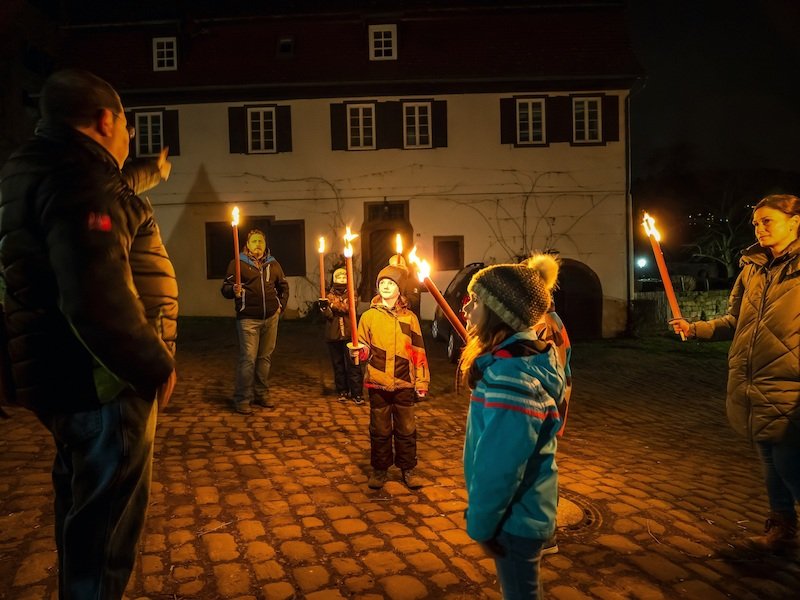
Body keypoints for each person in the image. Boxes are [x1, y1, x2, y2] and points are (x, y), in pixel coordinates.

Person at [0, 69, 178, 599]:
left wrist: (151, 171)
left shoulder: (41, 169)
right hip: (103, 381)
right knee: (103, 532)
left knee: (81, 511)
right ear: (105, 120)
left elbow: (110, 189)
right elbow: (95, 290)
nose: (128, 139)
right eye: (127, 127)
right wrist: (151, 363)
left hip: (59, 378)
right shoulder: (83, 183)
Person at [671, 194, 800, 552]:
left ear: (795, 222)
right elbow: (734, 320)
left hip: (790, 384)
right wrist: (695, 328)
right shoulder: (752, 267)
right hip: (751, 379)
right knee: (770, 462)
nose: (759, 228)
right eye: (756, 222)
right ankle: (781, 526)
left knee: (790, 463)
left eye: (768, 221)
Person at [460, 255, 566, 600]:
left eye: (475, 301)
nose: (465, 309)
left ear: (500, 312)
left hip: (514, 519)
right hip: (520, 516)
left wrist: (482, 524)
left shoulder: (512, 376)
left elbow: (501, 466)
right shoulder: (521, 361)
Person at [354, 263, 430, 490]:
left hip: (404, 382)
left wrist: (422, 380)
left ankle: (408, 469)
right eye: (382, 283)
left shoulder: (410, 319)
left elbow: (418, 350)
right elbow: (364, 348)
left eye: (391, 283)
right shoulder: (368, 317)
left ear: (400, 289)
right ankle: (379, 469)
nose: (386, 287)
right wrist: (358, 352)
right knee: (379, 429)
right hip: (378, 382)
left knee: (406, 429)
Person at [221, 228, 289, 414]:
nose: (258, 244)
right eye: (254, 241)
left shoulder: (273, 264)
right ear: (247, 245)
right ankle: (242, 398)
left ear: (265, 244)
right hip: (248, 319)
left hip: (270, 318)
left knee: (264, 358)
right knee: (248, 359)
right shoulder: (238, 263)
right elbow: (225, 288)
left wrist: (280, 306)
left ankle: (261, 394)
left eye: (261, 241)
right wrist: (232, 290)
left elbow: (283, 286)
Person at [320, 267, 364, 404]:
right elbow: (329, 316)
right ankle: (342, 390)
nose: (342, 280)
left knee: (353, 364)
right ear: (334, 279)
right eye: (339, 278)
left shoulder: (352, 293)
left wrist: (331, 304)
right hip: (334, 335)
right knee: (338, 364)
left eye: (344, 278)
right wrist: (324, 308)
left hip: (350, 334)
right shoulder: (328, 295)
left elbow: (348, 307)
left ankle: (357, 392)